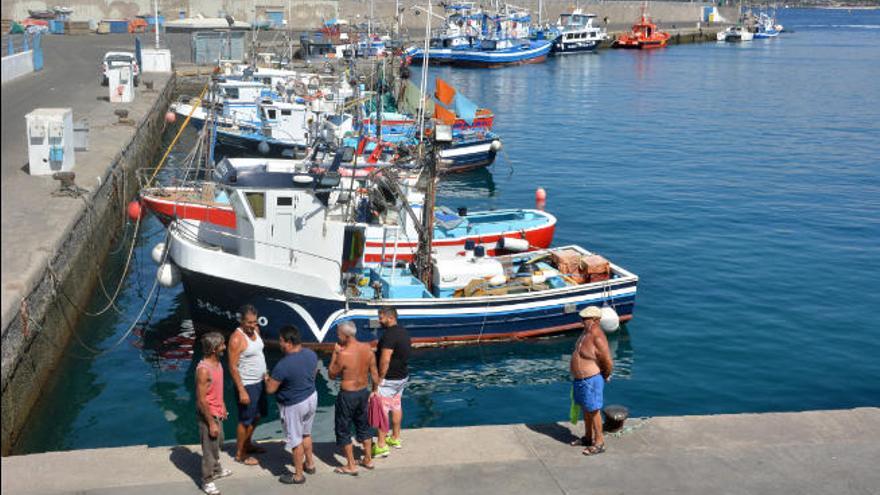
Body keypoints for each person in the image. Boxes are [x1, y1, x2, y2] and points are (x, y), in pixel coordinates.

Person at [265, 325, 319, 485]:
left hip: (294, 405)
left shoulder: (283, 365)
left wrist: (267, 378)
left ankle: (298, 475)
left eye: (281, 341)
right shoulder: (311, 354)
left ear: (288, 342)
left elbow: (270, 389)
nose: (279, 344)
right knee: (306, 434)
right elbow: (314, 373)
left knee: (295, 441)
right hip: (311, 397)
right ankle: (310, 464)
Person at [328, 321, 379, 475]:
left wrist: (335, 354)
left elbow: (331, 374)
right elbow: (375, 374)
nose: (337, 336)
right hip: (364, 392)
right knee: (364, 426)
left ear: (346, 335)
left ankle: (351, 465)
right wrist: (374, 391)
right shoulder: (368, 349)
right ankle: (368, 460)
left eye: (338, 334)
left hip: (348, 395)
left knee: (343, 430)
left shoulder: (343, 354)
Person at [570, 306, 614, 456]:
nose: (582, 321)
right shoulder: (585, 333)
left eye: (585, 319)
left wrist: (606, 374)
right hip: (580, 380)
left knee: (594, 410)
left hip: (591, 380)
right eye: (582, 319)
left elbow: (607, 360)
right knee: (585, 408)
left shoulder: (598, 337)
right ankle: (588, 438)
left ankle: (599, 442)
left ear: (596, 320)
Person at [228, 304, 268, 466]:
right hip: (247, 385)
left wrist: (265, 373)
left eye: (254, 322)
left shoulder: (256, 331)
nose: (252, 325)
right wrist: (241, 390)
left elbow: (259, 353)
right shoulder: (237, 339)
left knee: (257, 415)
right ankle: (240, 453)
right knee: (245, 420)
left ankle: (248, 443)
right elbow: (232, 366)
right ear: (241, 321)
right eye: (249, 323)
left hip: (260, 382)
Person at [195, 332, 232, 495]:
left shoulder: (218, 364)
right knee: (209, 450)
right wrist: (210, 422)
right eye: (222, 344)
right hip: (208, 415)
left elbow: (217, 389)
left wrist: (222, 405)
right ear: (213, 349)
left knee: (219, 442)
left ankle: (216, 469)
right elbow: (201, 400)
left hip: (218, 411)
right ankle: (207, 480)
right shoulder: (204, 370)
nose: (225, 346)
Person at [372, 306, 411, 458]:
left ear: (390, 317)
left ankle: (381, 445)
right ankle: (395, 438)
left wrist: (379, 378)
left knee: (382, 411)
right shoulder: (403, 332)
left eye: (381, 317)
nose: (379, 321)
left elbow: (385, 359)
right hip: (401, 376)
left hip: (388, 379)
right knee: (396, 405)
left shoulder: (389, 335)